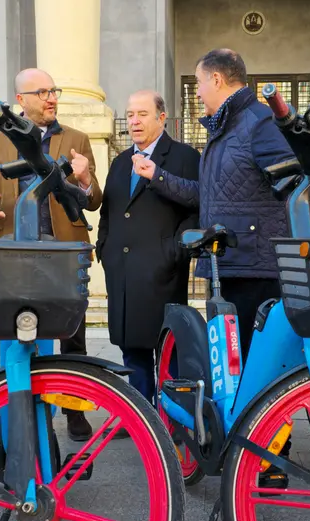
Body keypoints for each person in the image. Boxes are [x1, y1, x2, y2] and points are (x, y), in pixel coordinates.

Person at [132, 48, 295, 488]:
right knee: (237, 368)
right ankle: (248, 452)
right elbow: (207, 194)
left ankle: (272, 460)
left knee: (263, 369)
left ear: (218, 81)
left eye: (200, 84)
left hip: (255, 265)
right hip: (229, 263)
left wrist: (307, 201)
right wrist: (156, 176)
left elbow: (290, 178)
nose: (198, 92)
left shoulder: (256, 121)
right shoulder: (227, 129)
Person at [0, 68, 102, 441]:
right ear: (21, 101)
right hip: (15, 253)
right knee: (17, 329)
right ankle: (18, 403)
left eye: (54, 90)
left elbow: (93, 200)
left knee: (72, 334)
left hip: (62, 252)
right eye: (42, 91)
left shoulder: (76, 138)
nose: (51, 97)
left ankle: (74, 411)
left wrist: (83, 179)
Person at [98, 90, 199, 409]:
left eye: (142, 114)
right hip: (123, 273)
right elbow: (109, 212)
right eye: (129, 114)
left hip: (162, 271)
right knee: (132, 348)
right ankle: (141, 415)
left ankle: (171, 418)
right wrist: (106, 250)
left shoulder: (184, 157)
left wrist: (176, 250)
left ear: (161, 118)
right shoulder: (119, 162)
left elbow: (196, 209)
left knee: (167, 346)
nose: (134, 121)